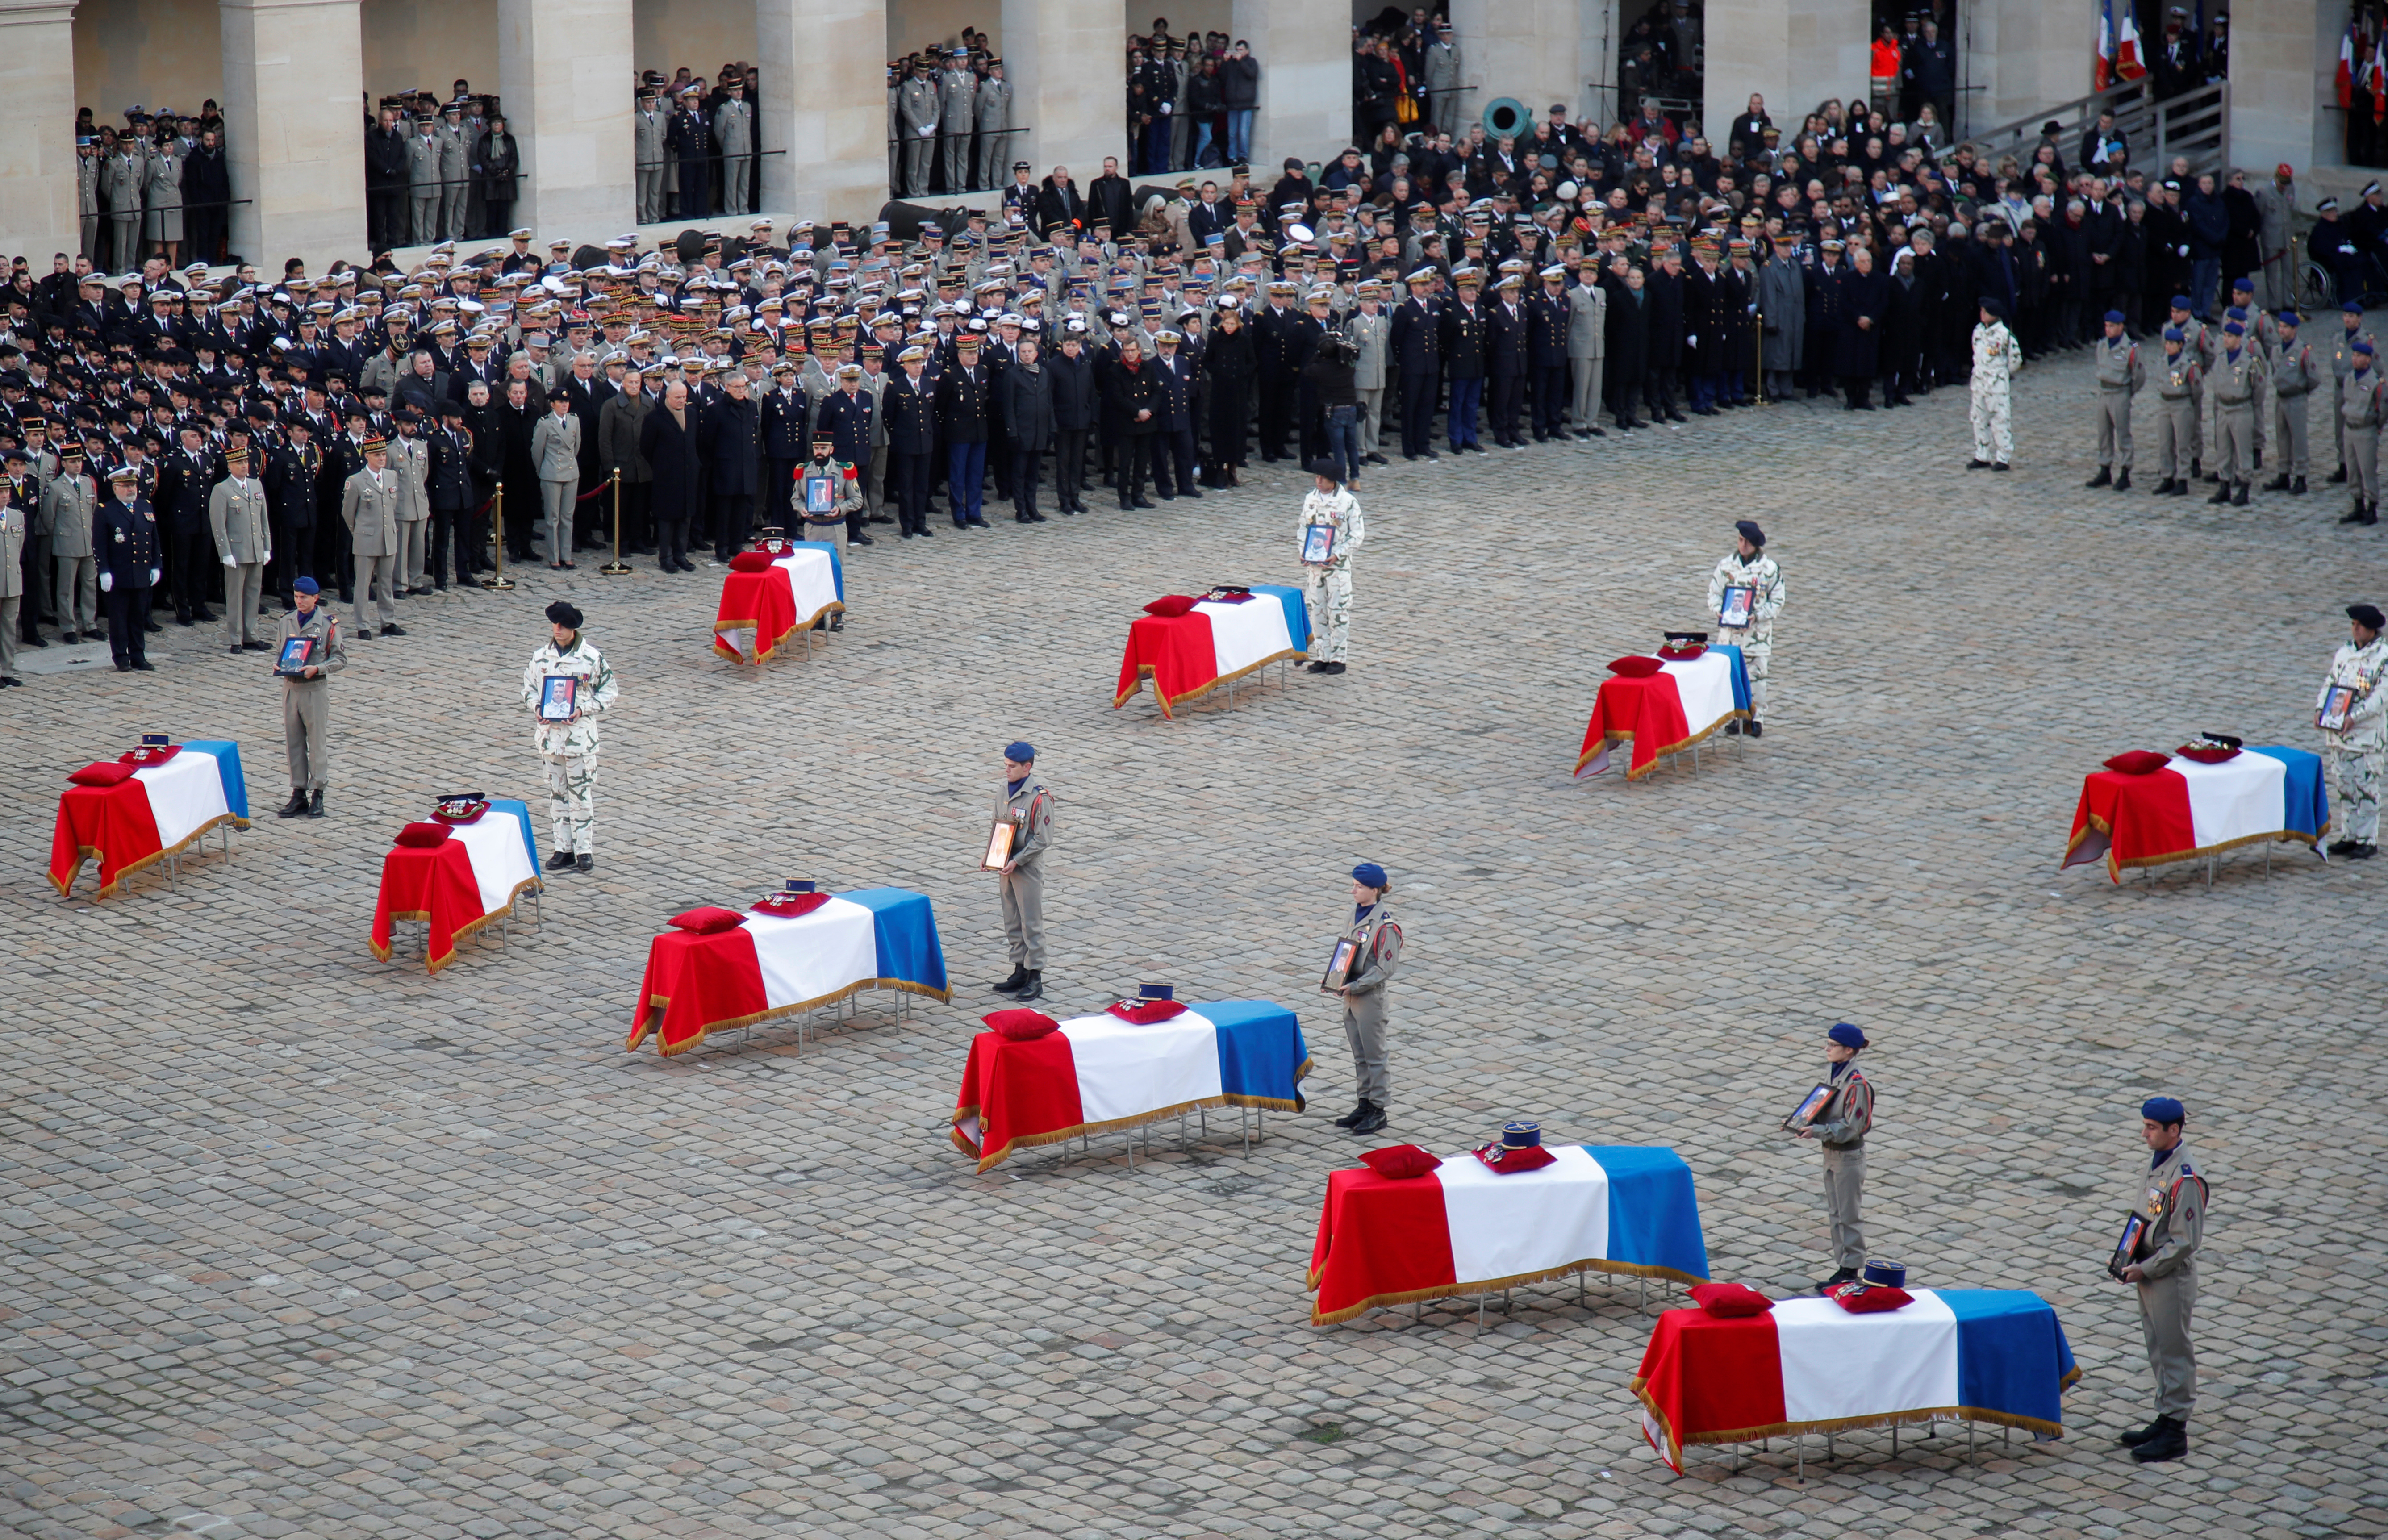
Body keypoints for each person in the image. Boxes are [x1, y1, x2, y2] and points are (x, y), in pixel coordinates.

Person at [2115, 1097, 2205, 1465]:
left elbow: (2185, 1242)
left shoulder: (2185, 1177)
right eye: (2145, 1125)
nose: (2144, 1133)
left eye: (2152, 1127)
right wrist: (2124, 1254)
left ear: (2174, 1129)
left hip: (2168, 1276)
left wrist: (2146, 1267)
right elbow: (2145, 1216)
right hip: (2148, 1269)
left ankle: (2175, 1430)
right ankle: (2164, 1416)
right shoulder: (2158, 1165)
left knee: (2174, 1351)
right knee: (2158, 1347)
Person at [521, 599, 620, 874]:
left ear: (573, 629)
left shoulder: (591, 658)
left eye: (563, 625)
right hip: (550, 738)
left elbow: (609, 692)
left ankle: (584, 850)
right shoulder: (541, 657)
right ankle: (562, 848)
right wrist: (537, 707)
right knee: (557, 795)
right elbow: (528, 689)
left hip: (579, 740)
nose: (558, 629)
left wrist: (583, 709)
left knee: (581, 794)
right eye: (555, 624)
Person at [1790, 1021, 1874, 1290]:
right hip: (1832, 1154)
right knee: (1836, 1213)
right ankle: (1844, 1266)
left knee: (1849, 1215)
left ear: (1849, 1051)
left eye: (1832, 1045)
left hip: (1847, 1157)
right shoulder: (1835, 1073)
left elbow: (1853, 1127)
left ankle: (1851, 1270)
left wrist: (1817, 1130)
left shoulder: (1857, 1084)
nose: (1827, 1049)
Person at [1330, 862, 1401, 1138]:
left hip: (1368, 996)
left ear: (1374, 890)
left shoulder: (1386, 927)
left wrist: (1355, 985)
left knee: (1375, 1055)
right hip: (1350, 994)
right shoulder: (1354, 915)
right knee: (1360, 1055)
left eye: (1359, 887)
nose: (1353, 891)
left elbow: (1386, 968)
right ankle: (1364, 1103)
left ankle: (1378, 1109)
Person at [273, 575, 345, 818]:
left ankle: (318, 793)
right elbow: (281, 651)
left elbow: (339, 659)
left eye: (304, 597)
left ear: (316, 598)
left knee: (316, 744)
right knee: (293, 743)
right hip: (291, 688)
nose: (299, 601)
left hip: (314, 689)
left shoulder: (327, 624)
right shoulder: (286, 621)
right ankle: (298, 793)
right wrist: (278, 665)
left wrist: (319, 669)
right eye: (296, 597)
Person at [2320, 603, 2388, 858]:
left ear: (2371, 629)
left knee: (2366, 787)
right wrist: (2321, 709)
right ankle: (2349, 835)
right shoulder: (2345, 653)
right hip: (2340, 734)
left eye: (2358, 625)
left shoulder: (2383, 658)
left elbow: (2381, 698)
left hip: (2366, 736)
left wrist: (2355, 717)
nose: (2354, 629)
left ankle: (2367, 840)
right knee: (2345, 785)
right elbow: (2331, 683)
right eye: (2353, 625)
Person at [988, 741, 1053, 1003]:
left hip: (1026, 867)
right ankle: (1019, 969)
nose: (1007, 770)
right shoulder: (1003, 790)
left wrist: (1018, 859)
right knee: (1012, 919)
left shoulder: (1039, 798)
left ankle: (1035, 975)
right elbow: (997, 826)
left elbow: (1043, 839)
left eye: (1012, 767)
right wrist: (989, 857)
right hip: (1005, 865)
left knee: (1031, 922)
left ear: (1027, 767)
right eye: (1005, 765)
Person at [1708, 519, 1784, 738]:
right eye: (1740, 540)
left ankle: (1756, 718)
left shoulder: (1769, 570)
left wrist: (1758, 616)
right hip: (1730, 636)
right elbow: (1714, 593)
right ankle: (1735, 717)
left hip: (1756, 635)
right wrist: (1719, 611)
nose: (1743, 546)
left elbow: (1778, 601)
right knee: (1730, 676)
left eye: (1747, 543)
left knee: (1757, 677)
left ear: (1756, 545)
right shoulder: (1726, 566)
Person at [1297, 459, 1365, 676]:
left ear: (1333, 480)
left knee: (1337, 611)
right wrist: (1304, 551)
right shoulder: (1311, 500)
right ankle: (1322, 656)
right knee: (1317, 612)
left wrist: (1338, 554)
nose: (1318, 481)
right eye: (1316, 477)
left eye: (1323, 478)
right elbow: (1303, 528)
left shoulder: (1348, 502)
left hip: (1338, 568)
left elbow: (1357, 535)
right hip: (1315, 569)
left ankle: (1338, 657)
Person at [208, 443, 272, 655]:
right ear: (230, 466)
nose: (244, 466)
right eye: (239, 463)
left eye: (245, 462)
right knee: (235, 596)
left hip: (255, 548)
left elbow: (264, 520)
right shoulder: (222, 489)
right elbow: (219, 524)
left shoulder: (256, 485)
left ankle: (251, 635)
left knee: (253, 594)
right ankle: (235, 638)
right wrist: (224, 552)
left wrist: (267, 547)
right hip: (236, 551)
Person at [96, 463, 159, 673]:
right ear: (115, 488)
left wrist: (156, 565)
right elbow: (100, 544)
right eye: (126, 486)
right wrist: (103, 571)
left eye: (133, 485)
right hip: (119, 573)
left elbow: (154, 539)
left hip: (141, 572)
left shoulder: (145, 506)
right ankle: (121, 657)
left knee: (138, 617)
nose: (131, 490)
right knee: (119, 618)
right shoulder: (106, 511)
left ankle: (138, 655)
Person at [339, 435, 405, 638]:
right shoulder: (356, 481)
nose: (382, 458)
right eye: (377, 455)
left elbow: (391, 506)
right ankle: (363, 625)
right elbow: (348, 513)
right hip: (366, 538)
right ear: (367, 456)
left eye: (383, 454)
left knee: (386, 582)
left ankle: (388, 621)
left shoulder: (391, 476)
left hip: (388, 537)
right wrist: (359, 532)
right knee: (363, 584)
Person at [39, 444, 99, 644]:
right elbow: (49, 518)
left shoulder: (88, 482)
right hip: (66, 543)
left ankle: (90, 624)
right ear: (64, 463)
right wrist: (60, 536)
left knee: (90, 584)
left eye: (79, 461)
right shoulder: (55, 487)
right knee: (66, 588)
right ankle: (68, 627)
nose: (77, 465)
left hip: (87, 542)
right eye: (73, 461)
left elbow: (92, 511)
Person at [2087, 310, 2145, 490]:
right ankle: (2105, 468)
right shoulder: (2102, 345)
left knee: (2123, 433)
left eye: (2112, 326)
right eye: (2106, 326)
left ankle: (2126, 471)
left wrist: (2128, 393)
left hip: (2120, 392)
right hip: (2104, 392)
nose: (2108, 330)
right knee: (2104, 433)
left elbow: (2140, 376)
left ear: (2121, 327)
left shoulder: (2130, 349)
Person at [2207, 319, 2262, 506]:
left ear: (2240, 339)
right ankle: (2224, 485)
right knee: (2224, 448)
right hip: (2223, 407)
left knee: (2243, 449)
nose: (2226, 340)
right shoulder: (2221, 359)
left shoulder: (2249, 362)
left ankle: (2245, 486)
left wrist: (2250, 406)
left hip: (2241, 408)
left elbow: (2259, 389)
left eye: (2230, 337)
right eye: (2225, 336)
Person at [2264, 311, 2317, 496]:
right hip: (2281, 398)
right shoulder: (2277, 350)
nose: (2281, 330)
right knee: (2282, 437)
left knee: (2299, 438)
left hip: (2297, 398)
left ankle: (2301, 476)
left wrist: (2301, 390)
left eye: (2286, 327)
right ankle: (2284, 473)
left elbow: (2314, 378)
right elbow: (2274, 371)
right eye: (2280, 326)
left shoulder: (2302, 351)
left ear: (2295, 329)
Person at [530, 388, 582, 568]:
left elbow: (576, 447)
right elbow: (537, 450)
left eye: (566, 402)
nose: (565, 405)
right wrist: (543, 471)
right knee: (553, 518)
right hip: (552, 473)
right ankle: (554, 557)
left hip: (570, 472)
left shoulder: (574, 420)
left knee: (567, 516)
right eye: (560, 402)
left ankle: (566, 555)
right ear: (552, 405)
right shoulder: (545, 423)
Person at [2150, 327, 2201, 497]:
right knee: (2166, 442)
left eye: (2172, 344)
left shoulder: (2188, 365)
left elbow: (2197, 389)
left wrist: (2189, 404)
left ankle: (2183, 478)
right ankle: (2167, 476)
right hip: (2165, 403)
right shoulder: (2163, 360)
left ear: (2181, 345)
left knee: (2183, 443)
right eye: (2167, 343)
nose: (2169, 347)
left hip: (2182, 403)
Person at [1967, 298, 2017, 470]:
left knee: (2000, 420)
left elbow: (2015, 360)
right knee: (1979, 419)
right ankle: (1982, 454)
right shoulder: (1979, 331)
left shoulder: (2004, 335)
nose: (1982, 315)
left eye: (1985, 312)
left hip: (1996, 383)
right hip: (1980, 381)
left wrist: (2002, 374)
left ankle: (2003, 457)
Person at [2341, 341, 2387, 526]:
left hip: (2366, 429)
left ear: (2368, 360)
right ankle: (2358, 505)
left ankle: (2372, 507)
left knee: (2368, 470)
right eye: (2353, 356)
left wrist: (2376, 426)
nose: (2355, 359)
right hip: (2349, 428)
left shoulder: (2376, 383)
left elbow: (2383, 410)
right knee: (2352, 470)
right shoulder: (2350, 378)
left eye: (2359, 356)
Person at [0, 480, 22, 687]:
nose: (5, 495)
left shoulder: (17, 516)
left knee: (9, 626)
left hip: (12, 579)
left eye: (6, 491)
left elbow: (18, 545)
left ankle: (7, 669)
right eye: (1, 492)